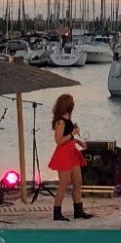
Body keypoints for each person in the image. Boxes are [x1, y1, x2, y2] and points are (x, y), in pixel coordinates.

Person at [47, 93, 92, 221]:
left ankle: (78, 210)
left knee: (78, 181)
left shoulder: (68, 118)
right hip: (63, 153)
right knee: (64, 183)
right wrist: (73, 133)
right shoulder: (60, 121)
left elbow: (69, 138)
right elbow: (59, 141)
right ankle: (57, 212)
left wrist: (77, 141)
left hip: (72, 151)